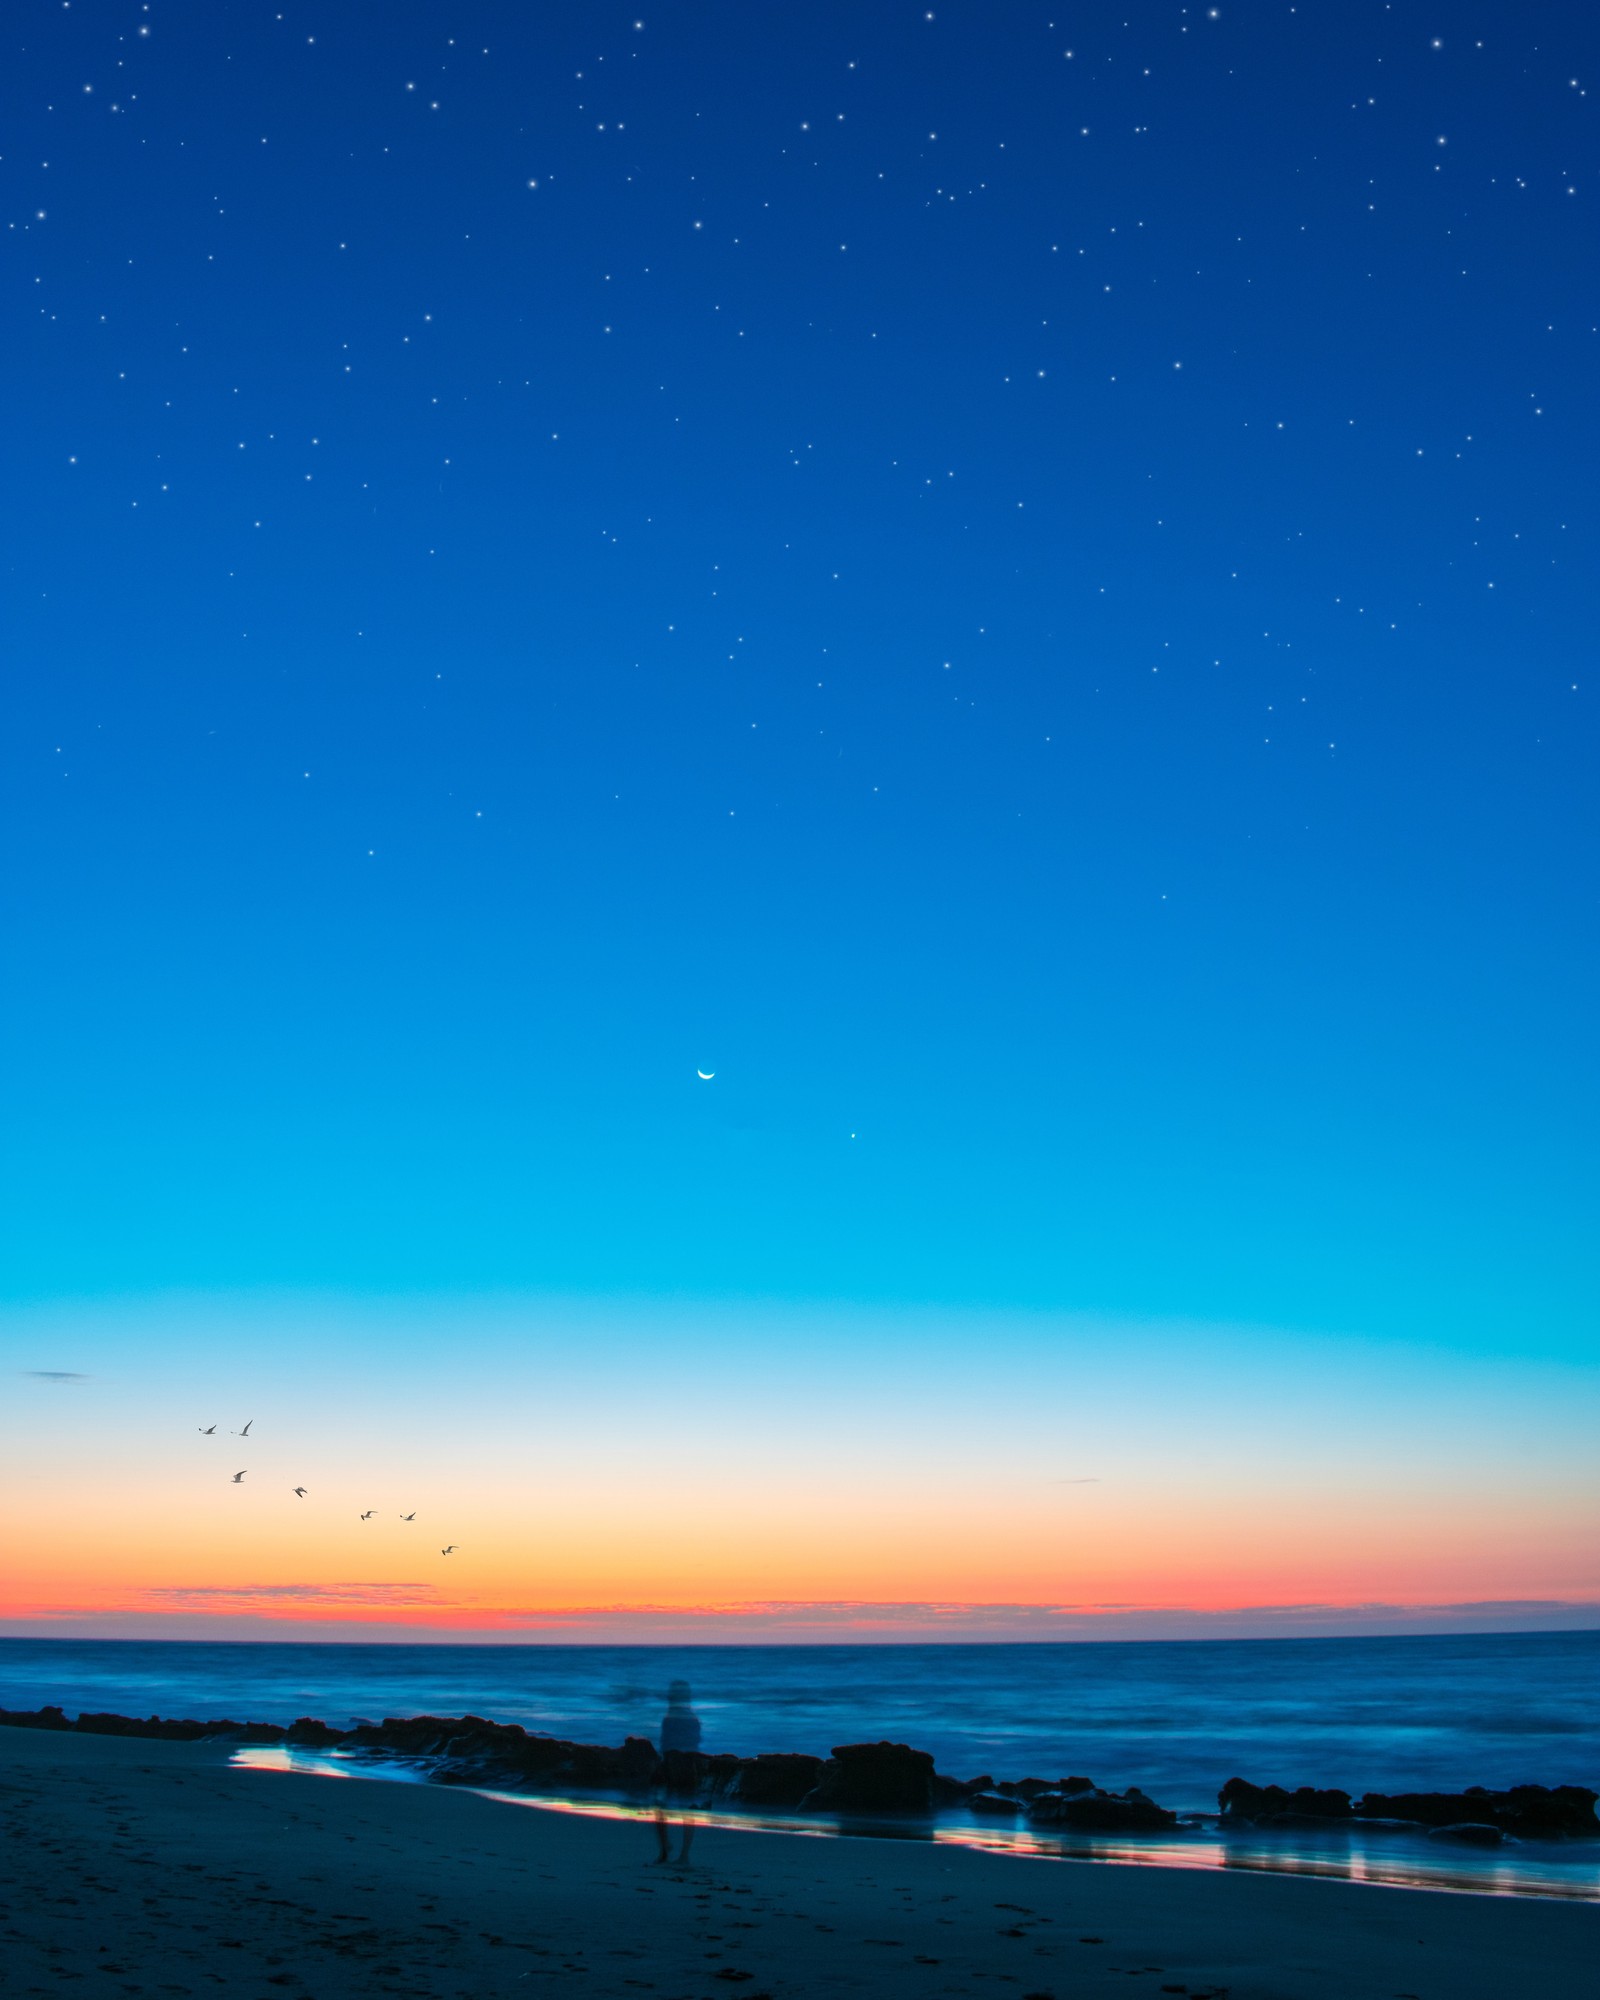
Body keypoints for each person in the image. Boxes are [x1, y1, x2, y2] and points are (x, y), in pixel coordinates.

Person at [653, 1679, 702, 1865]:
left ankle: (668, 1850)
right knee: (684, 1810)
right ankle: (682, 1854)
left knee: (662, 1807)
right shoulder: (691, 1718)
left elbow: (665, 1745)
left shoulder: (671, 1717)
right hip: (686, 1765)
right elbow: (694, 1743)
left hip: (675, 1764)